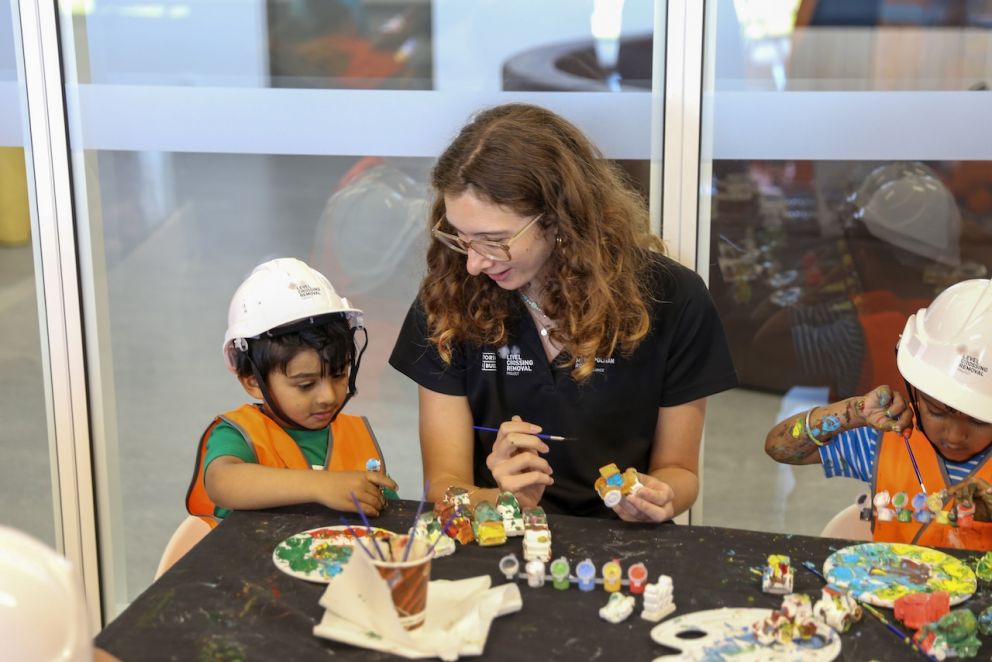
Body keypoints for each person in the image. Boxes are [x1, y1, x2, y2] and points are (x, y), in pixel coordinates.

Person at [388, 103, 738, 521]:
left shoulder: (672, 298)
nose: (473, 263)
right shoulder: (448, 298)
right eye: (460, 238)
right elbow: (444, 489)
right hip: (500, 537)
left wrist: (659, 499)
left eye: (493, 240)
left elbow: (679, 473)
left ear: (558, 219)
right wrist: (499, 498)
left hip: (622, 549)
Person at [765, 278, 992, 549]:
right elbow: (779, 447)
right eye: (936, 412)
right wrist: (854, 412)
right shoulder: (888, 438)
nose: (955, 435)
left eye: (979, 420)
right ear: (916, 389)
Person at [186, 258, 397, 526]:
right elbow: (221, 482)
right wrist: (321, 486)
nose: (329, 397)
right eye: (305, 384)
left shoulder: (357, 435)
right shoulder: (240, 434)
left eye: (338, 374)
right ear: (252, 380)